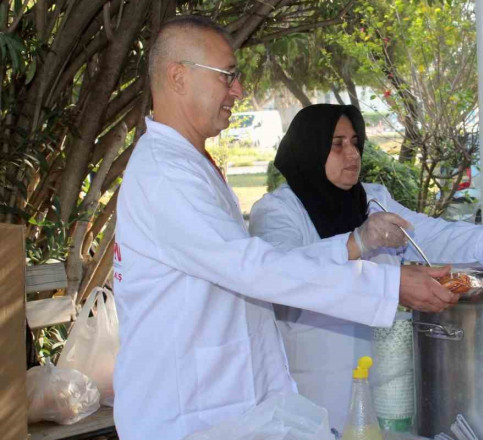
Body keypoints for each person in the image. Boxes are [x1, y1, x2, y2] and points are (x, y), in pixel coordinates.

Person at [113, 17, 457, 440]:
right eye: (228, 76)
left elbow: (263, 265)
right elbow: (255, 269)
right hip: (187, 411)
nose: (238, 90)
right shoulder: (166, 174)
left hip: (224, 402)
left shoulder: (191, 165)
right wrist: (388, 285)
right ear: (178, 77)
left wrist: (354, 248)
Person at [248, 103, 483, 431]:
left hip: (384, 382)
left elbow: (429, 234)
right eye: (337, 144)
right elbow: (283, 277)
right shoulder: (278, 212)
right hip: (312, 385)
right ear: (310, 147)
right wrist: (356, 242)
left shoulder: (372, 200)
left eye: (355, 142)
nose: (352, 154)